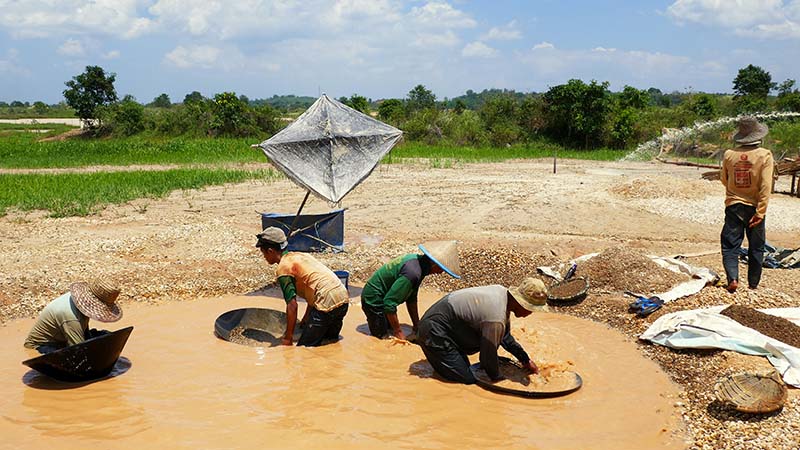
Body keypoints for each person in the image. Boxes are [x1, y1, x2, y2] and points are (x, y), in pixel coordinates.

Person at [416, 277, 546, 384]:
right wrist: (499, 380)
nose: (530, 313)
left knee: (465, 367)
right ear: (521, 303)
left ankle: (445, 361)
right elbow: (486, 357)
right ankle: (440, 361)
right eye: (531, 309)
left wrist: (525, 360)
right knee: (467, 380)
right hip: (433, 330)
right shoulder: (496, 317)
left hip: (448, 324)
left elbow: (505, 337)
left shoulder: (502, 294)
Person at [256, 226, 349, 347]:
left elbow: (292, 305)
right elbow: (313, 287)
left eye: (263, 253)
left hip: (326, 301)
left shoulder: (284, 268)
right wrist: (305, 319)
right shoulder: (301, 256)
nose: (264, 257)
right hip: (343, 297)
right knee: (329, 344)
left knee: (305, 349)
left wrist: (288, 338)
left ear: (270, 251)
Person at [361, 241, 461, 340]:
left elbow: (411, 299)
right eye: (441, 269)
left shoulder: (418, 264)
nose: (440, 272)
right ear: (434, 264)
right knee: (381, 338)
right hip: (373, 299)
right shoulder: (413, 273)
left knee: (389, 327)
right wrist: (398, 332)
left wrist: (416, 324)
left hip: (383, 296)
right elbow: (389, 303)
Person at [720, 116, 775, 292]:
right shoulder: (764, 155)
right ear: (758, 135)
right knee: (756, 247)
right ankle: (753, 285)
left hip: (734, 205)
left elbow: (724, 179)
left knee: (730, 245)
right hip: (754, 207)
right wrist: (760, 212)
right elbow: (766, 186)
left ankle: (733, 279)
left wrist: (737, 191)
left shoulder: (729, 154)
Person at [24, 280, 122, 356]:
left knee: (106, 336)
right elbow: (79, 351)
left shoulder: (78, 302)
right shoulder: (71, 317)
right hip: (42, 346)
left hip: (64, 336)